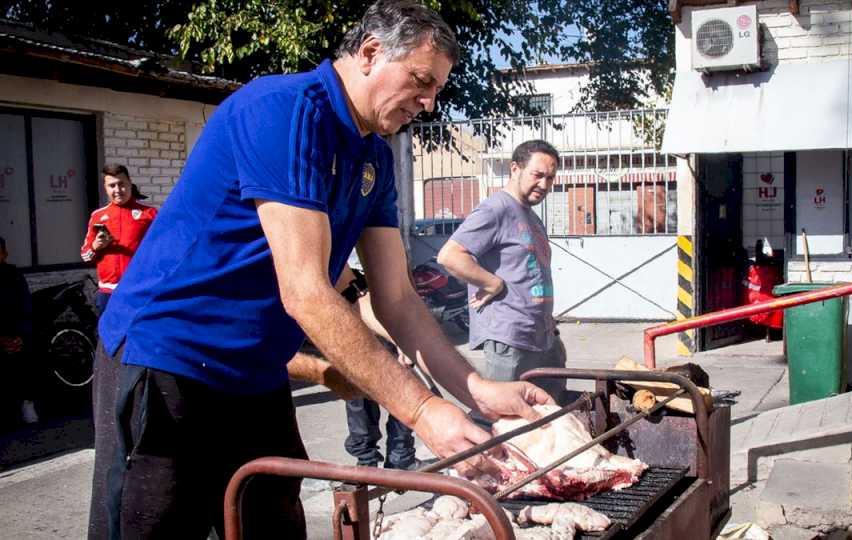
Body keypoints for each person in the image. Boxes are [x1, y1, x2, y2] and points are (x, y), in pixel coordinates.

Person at [87, 2, 552, 539]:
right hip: (166, 357)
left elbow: (395, 298)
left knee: (275, 527)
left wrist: (475, 390)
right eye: (421, 82)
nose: (427, 104)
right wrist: (423, 411)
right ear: (372, 52)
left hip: (254, 374)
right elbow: (306, 291)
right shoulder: (283, 111)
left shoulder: (374, 157)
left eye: (436, 92)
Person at [438, 140, 568, 405]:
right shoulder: (495, 209)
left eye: (551, 178)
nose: (544, 184)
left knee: (549, 421)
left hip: (543, 337)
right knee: (504, 422)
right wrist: (492, 283)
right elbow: (450, 256)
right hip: (510, 341)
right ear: (514, 169)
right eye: (538, 175)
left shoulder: (531, 216)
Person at [336, 266, 420, 470]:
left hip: (392, 307)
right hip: (356, 312)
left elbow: (401, 271)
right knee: (361, 392)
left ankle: (400, 456)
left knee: (403, 386)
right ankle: (367, 460)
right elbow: (350, 288)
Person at [80, 164, 157, 315]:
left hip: (139, 291)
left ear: (129, 182)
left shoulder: (150, 214)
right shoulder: (98, 216)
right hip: (108, 294)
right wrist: (96, 246)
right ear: (105, 187)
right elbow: (85, 256)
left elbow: (162, 251)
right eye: (112, 185)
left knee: (138, 338)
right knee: (109, 339)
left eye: (121, 184)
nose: (117, 190)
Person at [0, 236, 39, 427]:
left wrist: (20, 336)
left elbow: (25, 306)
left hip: (16, 331)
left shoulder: (14, 275)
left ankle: (27, 403)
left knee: (28, 356)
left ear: (4, 254)